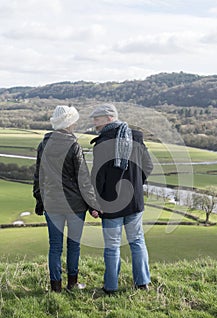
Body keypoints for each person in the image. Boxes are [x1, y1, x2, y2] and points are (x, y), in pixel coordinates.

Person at [33, 105, 100, 293]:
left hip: (52, 204)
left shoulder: (43, 145)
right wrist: (93, 205)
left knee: (54, 246)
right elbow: (84, 180)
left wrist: (39, 200)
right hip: (75, 205)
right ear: (69, 123)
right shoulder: (74, 145)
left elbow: (39, 176)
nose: (76, 124)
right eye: (74, 121)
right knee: (74, 245)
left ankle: (55, 287)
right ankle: (72, 284)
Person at [89, 103, 153, 294]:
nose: (95, 124)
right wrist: (135, 184)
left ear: (109, 118)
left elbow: (97, 178)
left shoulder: (102, 143)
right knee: (137, 241)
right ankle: (142, 283)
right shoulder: (136, 137)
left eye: (97, 120)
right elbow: (148, 166)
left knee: (112, 247)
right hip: (134, 201)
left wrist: (95, 203)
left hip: (110, 204)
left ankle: (110, 287)